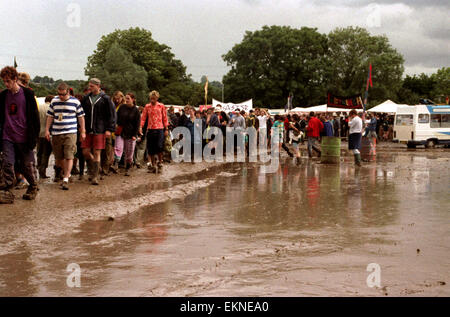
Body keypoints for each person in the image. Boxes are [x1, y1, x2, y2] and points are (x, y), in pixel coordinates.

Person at [0, 66, 40, 202]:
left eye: (8, 81)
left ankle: (33, 186)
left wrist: (34, 137)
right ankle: (7, 190)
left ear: (15, 79)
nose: (6, 84)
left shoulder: (28, 94)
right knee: (7, 163)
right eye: (4, 81)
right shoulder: (3, 96)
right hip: (7, 136)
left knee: (27, 165)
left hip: (24, 136)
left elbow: (35, 118)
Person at [45, 82, 86, 190]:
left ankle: (66, 178)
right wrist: (47, 130)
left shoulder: (75, 102)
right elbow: (50, 116)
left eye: (63, 94)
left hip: (70, 132)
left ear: (68, 92)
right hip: (57, 132)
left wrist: (83, 131)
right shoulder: (54, 101)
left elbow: (81, 117)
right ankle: (67, 174)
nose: (61, 97)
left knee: (69, 155)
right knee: (59, 157)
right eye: (59, 94)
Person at [80, 78, 116, 185]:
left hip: (100, 129)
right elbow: (81, 114)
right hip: (87, 129)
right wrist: (81, 127)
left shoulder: (105, 99)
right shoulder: (86, 98)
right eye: (89, 86)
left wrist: (109, 129)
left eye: (92, 86)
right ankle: (96, 167)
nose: (89, 88)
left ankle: (94, 176)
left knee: (97, 152)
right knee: (85, 152)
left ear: (98, 86)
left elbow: (111, 115)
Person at [139, 90, 169, 174]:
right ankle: (153, 165)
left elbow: (165, 118)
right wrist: (140, 127)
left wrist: (166, 128)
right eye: (151, 99)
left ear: (157, 98)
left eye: (154, 99)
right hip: (150, 129)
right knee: (151, 149)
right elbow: (143, 118)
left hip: (159, 129)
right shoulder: (147, 107)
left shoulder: (161, 106)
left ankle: (160, 162)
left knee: (159, 147)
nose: (152, 100)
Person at [112, 93, 140, 176]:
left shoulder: (136, 110)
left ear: (133, 99)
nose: (126, 100)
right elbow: (116, 117)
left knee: (129, 153)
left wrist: (135, 135)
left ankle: (127, 168)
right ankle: (115, 164)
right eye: (126, 98)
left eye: (128, 98)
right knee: (118, 148)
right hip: (120, 131)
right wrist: (115, 125)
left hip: (131, 133)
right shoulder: (122, 107)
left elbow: (137, 124)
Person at [36, 95, 54, 179]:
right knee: (46, 153)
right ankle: (42, 171)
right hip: (47, 134)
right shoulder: (51, 108)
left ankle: (38, 167)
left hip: (39, 133)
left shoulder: (39, 107)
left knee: (39, 152)